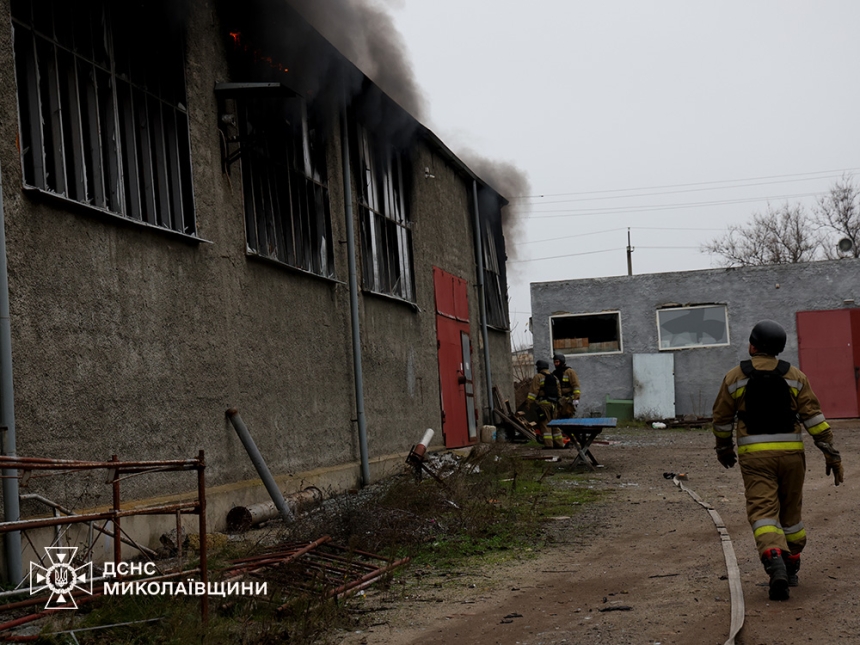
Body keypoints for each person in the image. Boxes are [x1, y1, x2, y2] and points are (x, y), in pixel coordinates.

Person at [711, 319, 843, 601]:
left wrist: (724, 449)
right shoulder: (795, 376)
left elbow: (721, 419)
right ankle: (792, 560)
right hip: (792, 457)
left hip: (755, 459)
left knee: (763, 513)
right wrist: (831, 454)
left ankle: (774, 559)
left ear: (753, 345)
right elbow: (814, 418)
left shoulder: (735, 377)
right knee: (791, 515)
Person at [527, 359, 563, 448]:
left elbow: (533, 392)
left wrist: (529, 403)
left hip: (544, 404)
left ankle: (549, 445)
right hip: (554, 404)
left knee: (545, 424)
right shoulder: (554, 377)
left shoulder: (538, 377)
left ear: (539, 367)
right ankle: (559, 444)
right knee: (555, 424)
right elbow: (559, 392)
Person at [552, 352, 581, 419]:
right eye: (554, 362)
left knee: (568, 418)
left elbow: (576, 386)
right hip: (559, 401)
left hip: (568, 401)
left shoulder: (569, 372)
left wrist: (576, 399)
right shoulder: (554, 373)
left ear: (561, 361)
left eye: (557, 362)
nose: (555, 364)